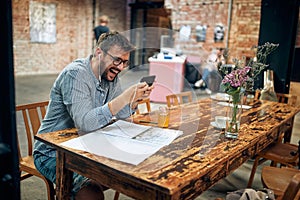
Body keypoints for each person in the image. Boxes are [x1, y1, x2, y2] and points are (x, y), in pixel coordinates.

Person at [33, 31, 154, 200]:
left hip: (85, 146)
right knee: (92, 192)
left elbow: (121, 114)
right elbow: (86, 123)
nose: (120, 67)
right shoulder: (75, 74)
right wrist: (124, 97)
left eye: (124, 63)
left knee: (136, 170)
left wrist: (134, 100)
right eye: (117, 59)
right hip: (52, 153)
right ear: (99, 53)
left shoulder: (110, 77)